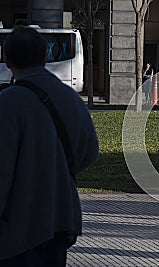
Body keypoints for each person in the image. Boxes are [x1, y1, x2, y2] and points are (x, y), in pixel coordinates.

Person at [0, 26, 99, 265]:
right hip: (60, 219)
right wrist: (57, 173)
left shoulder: (7, 103)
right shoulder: (71, 98)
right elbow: (90, 153)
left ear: (8, 59)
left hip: (17, 228)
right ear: (45, 57)